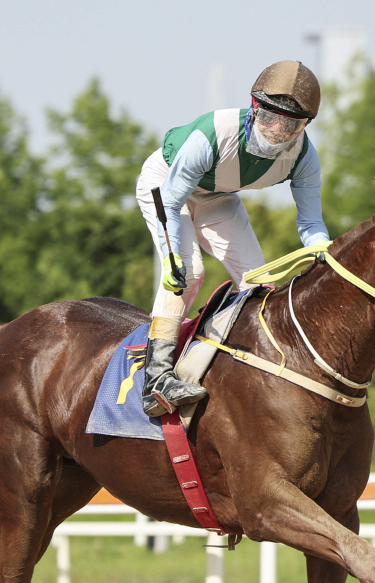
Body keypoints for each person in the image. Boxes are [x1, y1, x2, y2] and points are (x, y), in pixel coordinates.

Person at [134, 60, 331, 416]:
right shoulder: (214, 132)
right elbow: (173, 198)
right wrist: (169, 256)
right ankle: (156, 377)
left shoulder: (304, 156)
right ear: (254, 106)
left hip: (216, 196)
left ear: (305, 125)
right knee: (188, 272)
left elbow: (312, 224)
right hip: (166, 184)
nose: (277, 131)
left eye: (292, 124)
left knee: (261, 283)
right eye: (270, 117)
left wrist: (321, 249)